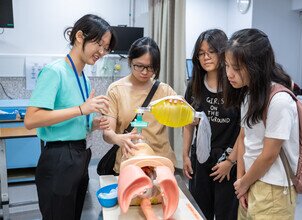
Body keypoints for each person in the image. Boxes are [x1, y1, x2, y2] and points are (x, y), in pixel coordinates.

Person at [24, 14, 117, 220]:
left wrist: (92, 124)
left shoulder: (83, 77)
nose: (101, 52)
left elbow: (71, 116)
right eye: (99, 44)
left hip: (80, 155)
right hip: (59, 158)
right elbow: (31, 119)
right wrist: (82, 109)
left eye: (106, 47)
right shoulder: (54, 71)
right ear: (79, 37)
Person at [223, 28, 299, 219]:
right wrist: (241, 180)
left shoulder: (279, 100)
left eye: (237, 68)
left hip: (274, 189)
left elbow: (269, 155)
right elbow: (243, 137)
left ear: (256, 65)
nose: (229, 74)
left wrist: (244, 182)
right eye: (227, 66)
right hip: (251, 179)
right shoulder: (249, 94)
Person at [182, 29, 240, 220]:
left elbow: (244, 130)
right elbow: (188, 122)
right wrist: (185, 155)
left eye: (211, 52)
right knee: (199, 211)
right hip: (201, 156)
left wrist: (230, 161)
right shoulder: (194, 85)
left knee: (226, 213)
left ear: (223, 53)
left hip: (228, 158)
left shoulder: (236, 85)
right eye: (200, 53)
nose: (205, 57)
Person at [103, 36, 177, 174]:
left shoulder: (165, 91)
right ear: (130, 61)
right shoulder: (116, 90)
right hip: (130, 163)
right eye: (139, 66)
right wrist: (118, 139)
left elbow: (185, 118)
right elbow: (107, 133)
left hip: (160, 164)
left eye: (150, 68)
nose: (144, 72)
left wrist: (183, 110)